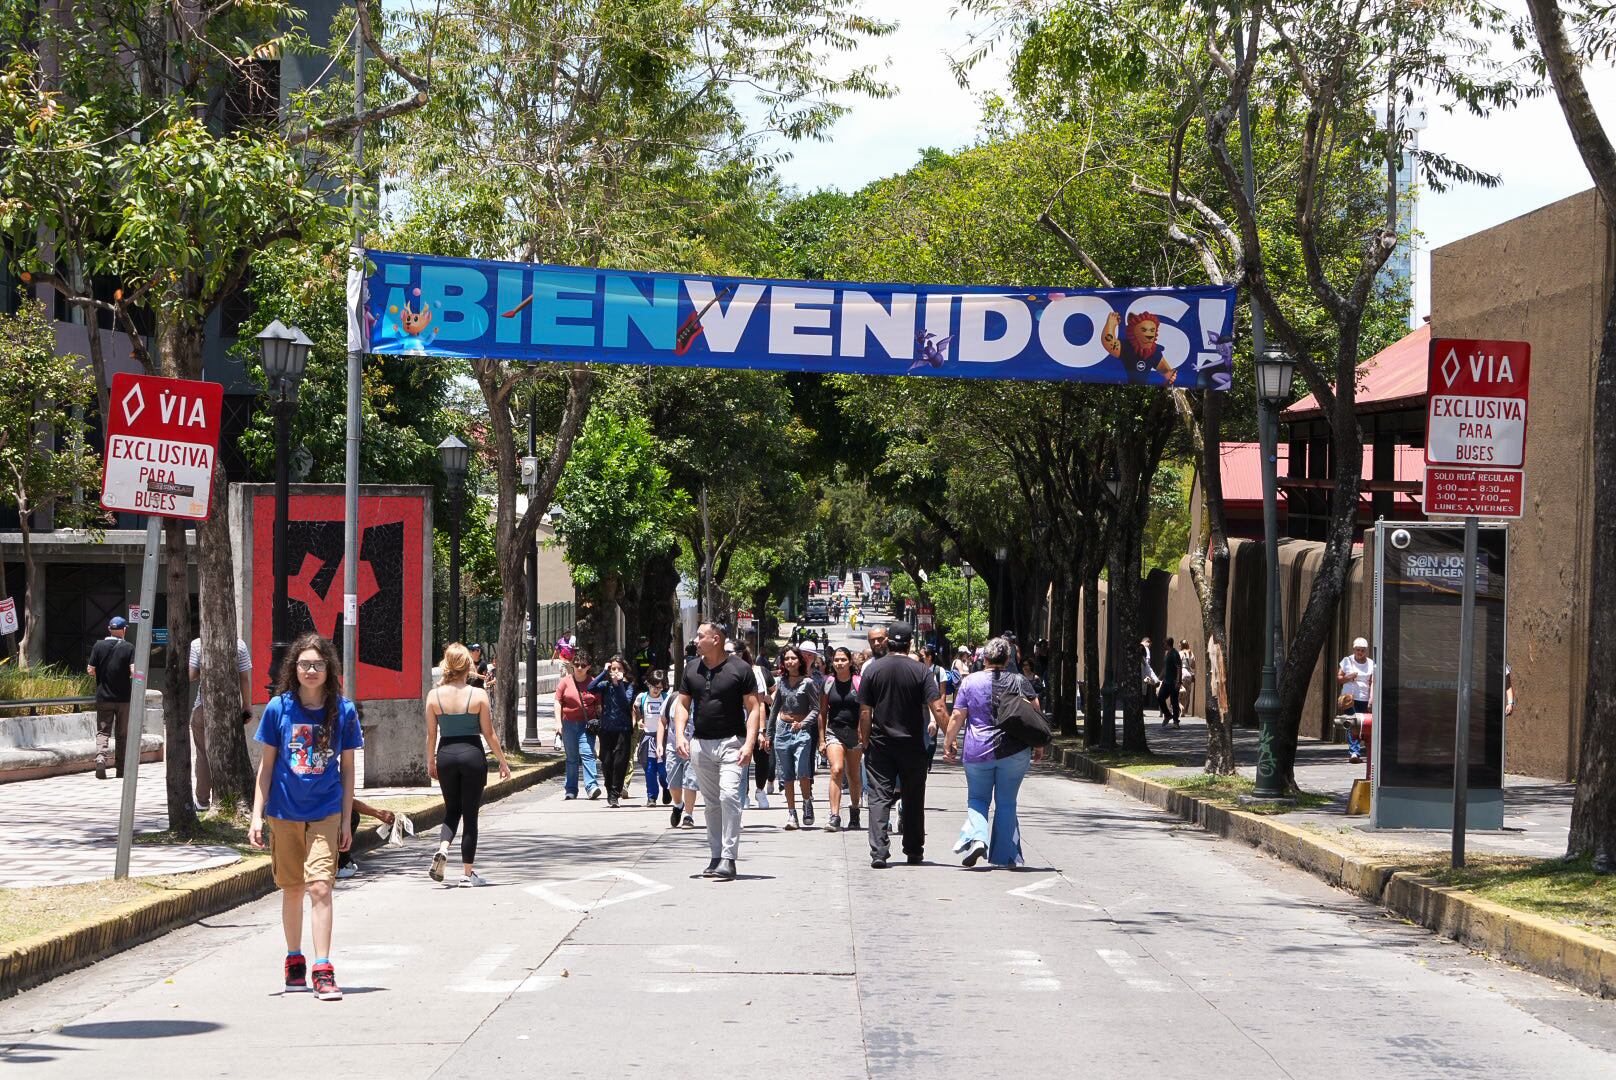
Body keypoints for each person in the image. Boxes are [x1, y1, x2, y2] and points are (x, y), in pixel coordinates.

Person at [248, 633, 362, 1001]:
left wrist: (346, 820)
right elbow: (265, 768)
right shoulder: (278, 709)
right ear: (293, 669)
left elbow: (347, 770)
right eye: (304, 664)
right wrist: (255, 815)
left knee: (320, 887)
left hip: (325, 810)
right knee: (293, 888)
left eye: (318, 664)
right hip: (284, 811)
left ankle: (323, 968)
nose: (311, 670)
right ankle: (294, 959)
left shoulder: (343, 711)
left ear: (329, 669)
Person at [672, 622, 763, 881]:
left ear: (716, 639)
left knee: (730, 796)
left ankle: (729, 857)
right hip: (701, 743)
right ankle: (716, 856)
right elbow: (683, 705)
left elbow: (754, 708)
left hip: (732, 743)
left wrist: (749, 743)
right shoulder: (691, 669)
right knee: (711, 803)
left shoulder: (740, 669)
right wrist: (680, 735)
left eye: (701, 636)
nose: (696, 639)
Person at [945, 636, 1043, 868]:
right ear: (1008, 659)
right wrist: (1038, 744)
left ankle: (978, 838)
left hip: (978, 750)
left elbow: (958, 715)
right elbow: (1035, 712)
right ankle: (1005, 856)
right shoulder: (1019, 681)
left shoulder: (970, 682)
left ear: (984, 658)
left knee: (978, 799)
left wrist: (948, 742)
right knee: (1007, 802)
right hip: (1015, 750)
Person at [858, 622, 947, 869]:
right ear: (909, 644)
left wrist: (865, 741)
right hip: (912, 745)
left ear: (887, 642)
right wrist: (949, 739)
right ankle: (914, 850)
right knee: (914, 797)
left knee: (878, 797)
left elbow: (865, 712)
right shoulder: (920, 671)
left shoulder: (873, 671)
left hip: (880, 744)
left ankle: (879, 851)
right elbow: (937, 707)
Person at [425, 643, 511, 887]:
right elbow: (489, 733)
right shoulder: (478, 695)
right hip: (472, 753)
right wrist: (502, 762)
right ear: (468, 666)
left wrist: (431, 760)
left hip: (446, 754)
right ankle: (467, 873)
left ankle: (443, 847)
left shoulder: (433, 696)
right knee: (470, 814)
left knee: (452, 810)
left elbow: (431, 734)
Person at [186, 632, 253, 810]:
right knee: (231, 753)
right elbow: (244, 679)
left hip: (203, 707)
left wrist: (206, 665)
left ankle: (202, 800)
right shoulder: (239, 645)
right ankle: (232, 796)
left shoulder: (197, 644)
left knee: (203, 755)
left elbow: (191, 675)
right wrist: (246, 705)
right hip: (230, 709)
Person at [771, 645, 821, 830]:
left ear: (799, 661)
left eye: (793, 658)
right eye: (786, 659)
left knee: (802, 771)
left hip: (801, 732)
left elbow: (816, 709)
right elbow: (775, 709)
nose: (790, 661)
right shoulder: (781, 682)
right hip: (782, 731)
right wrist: (769, 734)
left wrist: (803, 724)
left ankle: (807, 801)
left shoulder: (807, 683)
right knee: (787, 777)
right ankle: (792, 814)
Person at [87, 616, 136, 781]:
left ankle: (101, 758)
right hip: (124, 699)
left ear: (109, 629)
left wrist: (102, 674)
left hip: (104, 698)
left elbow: (90, 670)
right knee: (122, 734)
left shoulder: (98, 646)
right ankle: (121, 769)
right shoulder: (129, 647)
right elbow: (134, 671)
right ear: (124, 630)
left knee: (103, 731)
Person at [821, 646, 863, 832]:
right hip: (834, 731)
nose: (839, 663)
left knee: (853, 776)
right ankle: (834, 816)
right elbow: (822, 712)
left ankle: (855, 811)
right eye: (836, 660)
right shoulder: (828, 683)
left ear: (850, 662)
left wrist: (864, 733)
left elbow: (865, 710)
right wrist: (821, 739)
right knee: (836, 769)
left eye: (843, 660)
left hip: (855, 734)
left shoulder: (859, 683)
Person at [590, 655, 637, 807]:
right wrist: (604, 672)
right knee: (607, 762)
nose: (615, 671)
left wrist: (619, 684)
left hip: (623, 729)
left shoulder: (629, 686)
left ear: (624, 670)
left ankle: (615, 794)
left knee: (619, 763)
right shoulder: (605, 685)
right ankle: (609, 788)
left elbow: (625, 701)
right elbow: (591, 687)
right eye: (613, 669)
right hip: (606, 729)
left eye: (619, 669)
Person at [555, 655, 602, 800]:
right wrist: (558, 723)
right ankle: (571, 789)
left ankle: (591, 786)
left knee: (587, 753)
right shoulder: (565, 682)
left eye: (583, 665)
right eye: (576, 665)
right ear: (572, 665)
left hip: (586, 725)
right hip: (568, 723)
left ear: (588, 667)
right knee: (572, 758)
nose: (579, 668)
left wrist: (599, 722)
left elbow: (599, 705)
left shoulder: (593, 683)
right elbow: (558, 702)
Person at [658, 669, 699, 829]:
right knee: (674, 784)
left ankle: (688, 815)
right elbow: (662, 721)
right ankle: (678, 804)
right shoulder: (673, 698)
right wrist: (660, 744)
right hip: (672, 746)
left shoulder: (702, 699)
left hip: (694, 748)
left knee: (691, 782)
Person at [742, 645, 775, 809]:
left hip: (757, 723)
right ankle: (744, 793)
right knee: (741, 761)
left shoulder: (757, 673)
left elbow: (761, 704)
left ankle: (760, 790)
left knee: (761, 758)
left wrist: (762, 731)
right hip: (737, 724)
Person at [635, 670, 673, 807]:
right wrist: (639, 720)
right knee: (650, 769)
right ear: (648, 684)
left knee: (663, 769)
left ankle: (666, 787)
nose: (656, 690)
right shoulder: (642, 697)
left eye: (659, 687)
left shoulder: (666, 697)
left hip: (663, 739)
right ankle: (651, 797)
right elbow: (635, 707)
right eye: (653, 686)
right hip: (647, 738)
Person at [1337, 636, 1375, 762]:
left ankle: (1360, 749)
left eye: (1363, 650)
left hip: (1364, 697)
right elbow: (1339, 678)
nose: (1360, 653)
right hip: (1349, 698)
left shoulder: (1371, 664)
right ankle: (1354, 752)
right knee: (1352, 723)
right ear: (1354, 650)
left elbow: (1372, 682)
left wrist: (1371, 698)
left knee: (1363, 725)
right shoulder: (1347, 661)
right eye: (1358, 650)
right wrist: (1349, 677)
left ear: (1366, 650)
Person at [1158, 636, 1182, 726]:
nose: (1163, 645)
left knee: (1174, 701)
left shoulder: (1174, 654)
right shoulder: (1167, 653)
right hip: (1166, 682)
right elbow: (1165, 667)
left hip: (1173, 682)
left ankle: (1176, 721)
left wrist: (1178, 681)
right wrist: (1159, 678)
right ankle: (1168, 715)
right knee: (1160, 698)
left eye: (1164, 643)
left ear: (1167, 644)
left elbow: (1179, 668)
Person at [1179, 643, 1196, 716]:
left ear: (1182, 646)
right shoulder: (1191, 653)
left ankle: (1181, 707)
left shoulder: (1180, 653)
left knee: (1179, 692)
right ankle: (1184, 710)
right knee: (1187, 693)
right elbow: (1193, 666)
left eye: (1179, 645)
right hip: (1189, 674)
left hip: (1182, 673)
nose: (1179, 646)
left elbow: (1178, 664)